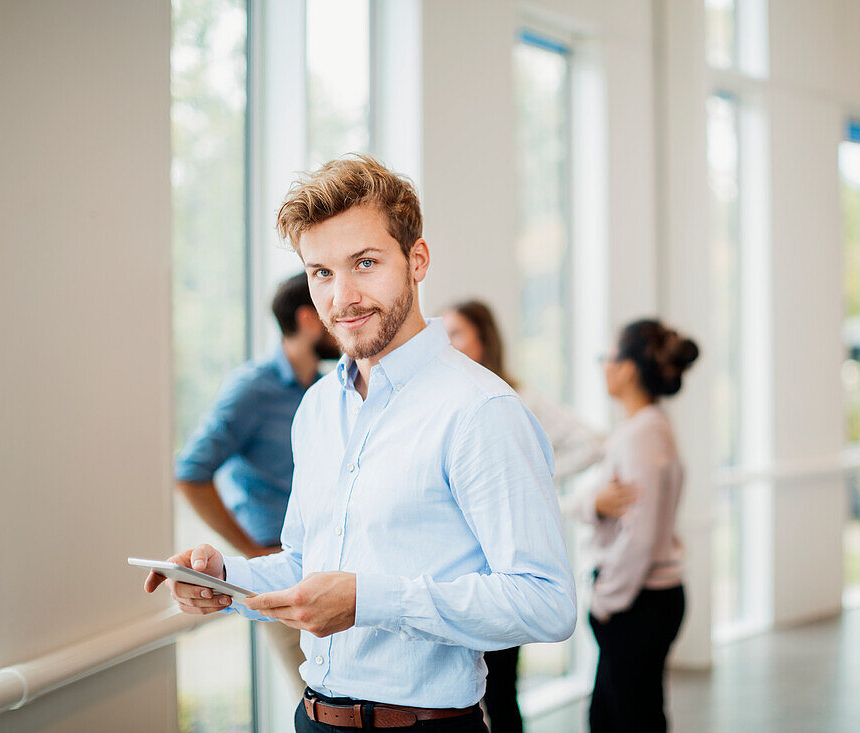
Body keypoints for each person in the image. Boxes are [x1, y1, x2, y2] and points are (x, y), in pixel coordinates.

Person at [147, 155, 577, 733]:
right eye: (320, 272)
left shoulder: (481, 411)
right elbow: (306, 564)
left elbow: (546, 603)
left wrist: (368, 601)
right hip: (314, 718)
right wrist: (224, 580)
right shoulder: (320, 407)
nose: (342, 297)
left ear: (416, 260)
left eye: (365, 263)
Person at [443, 299, 605, 733]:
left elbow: (591, 442)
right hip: (456, 575)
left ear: (484, 339)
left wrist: (534, 480)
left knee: (500, 692)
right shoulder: (442, 403)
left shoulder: (514, 397)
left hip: (503, 570)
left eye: (456, 332)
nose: (446, 342)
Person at [174, 272, 339, 696]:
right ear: (307, 319)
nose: (341, 317)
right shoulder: (251, 389)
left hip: (328, 564)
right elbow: (190, 473)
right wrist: (251, 549)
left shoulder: (326, 387)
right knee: (323, 702)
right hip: (279, 569)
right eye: (329, 306)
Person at [576, 319, 699, 733]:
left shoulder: (642, 434)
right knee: (616, 715)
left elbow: (641, 536)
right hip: (643, 600)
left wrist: (605, 602)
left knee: (627, 719)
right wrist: (593, 502)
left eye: (606, 358)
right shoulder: (647, 427)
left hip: (638, 602)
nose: (603, 367)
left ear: (627, 369)